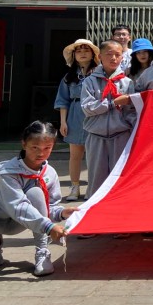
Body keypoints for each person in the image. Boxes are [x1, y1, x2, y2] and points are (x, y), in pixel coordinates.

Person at [0, 121, 76, 276]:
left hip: (20, 223)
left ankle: (42, 251)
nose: (41, 153)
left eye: (47, 148)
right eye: (35, 147)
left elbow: (48, 207)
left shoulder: (50, 173)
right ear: (24, 144)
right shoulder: (8, 172)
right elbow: (18, 205)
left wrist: (62, 213)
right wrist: (49, 227)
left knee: (35, 193)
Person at [81, 40, 137, 202]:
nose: (113, 58)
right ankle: (93, 210)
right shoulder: (89, 81)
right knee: (96, 178)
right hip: (96, 136)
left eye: (117, 55)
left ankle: (118, 211)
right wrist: (112, 103)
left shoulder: (127, 83)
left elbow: (131, 111)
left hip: (121, 135)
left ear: (122, 58)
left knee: (118, 178)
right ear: (100, 57)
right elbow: (87, 107)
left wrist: (132, 128)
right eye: (109, 54)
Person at [54, 38, 99, 202]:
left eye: (86, 50)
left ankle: (92, 187)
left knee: (94, 155)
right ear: (74, 55)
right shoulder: (69, 77)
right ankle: (74, 187)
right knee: (75, 155)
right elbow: (63, 100)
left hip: (95, 116)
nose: (82, 53)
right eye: (79, 51)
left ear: (93, 54)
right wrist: (63, 122)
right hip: (74, 115)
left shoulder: (100, 74)